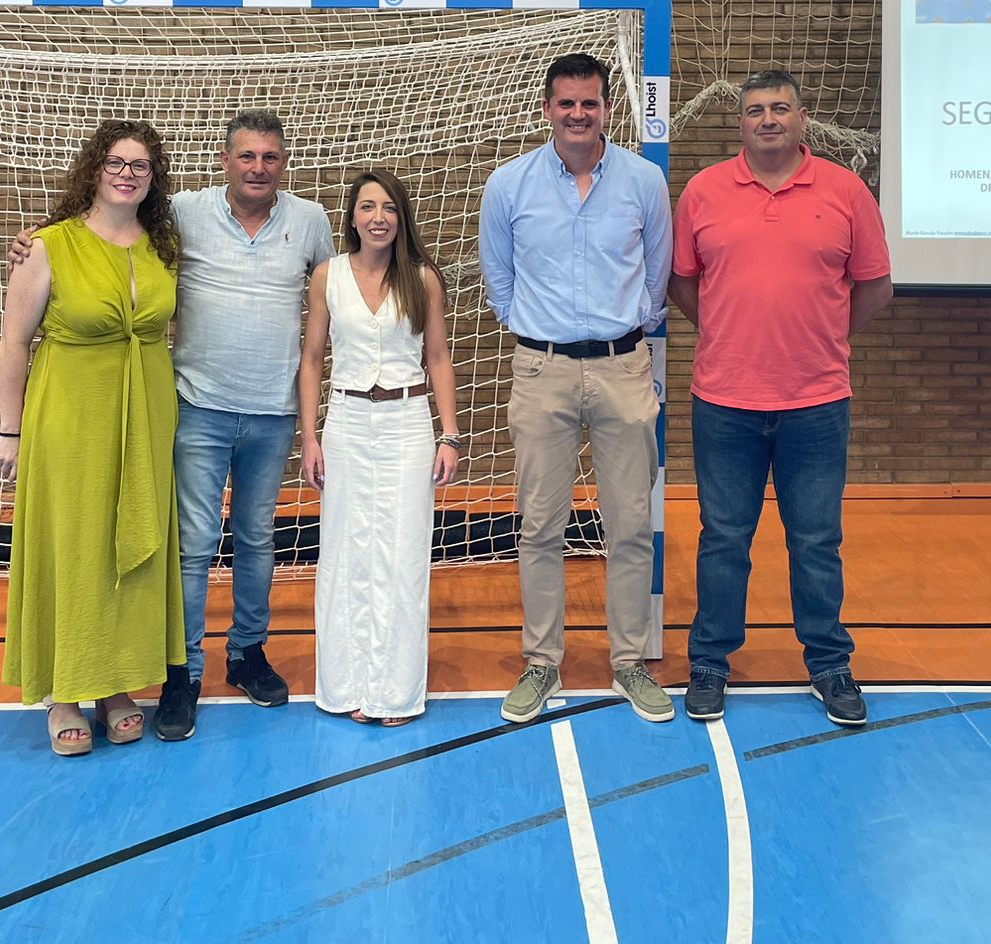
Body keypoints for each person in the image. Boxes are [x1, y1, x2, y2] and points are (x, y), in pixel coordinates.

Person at [12, 110, 333, 742]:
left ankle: (248, 654)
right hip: (196, 406)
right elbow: (100, 231)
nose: (258, 167)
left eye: (270, 157)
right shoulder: (183, 214)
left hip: (272, 412)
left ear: (284, 163)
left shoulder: (311, 221)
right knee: (190, 546)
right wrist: (34, 239)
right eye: (246, 156)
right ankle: (181, 672)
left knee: (257, 539)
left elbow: (339, 286)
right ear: (224, 160)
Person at [668, 71, 894, 726]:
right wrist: (726, 332)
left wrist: (825, 337)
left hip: (816, 402)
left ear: (803, 118)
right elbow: (682, 283)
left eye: (780, 108)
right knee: (723, 538)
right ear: (740, 122)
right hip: (725, 401)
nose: (767, 119)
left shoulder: (845, 191)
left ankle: (829, 664)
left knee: (817, 540)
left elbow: (876, 286)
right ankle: (710, 662)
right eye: (755, 110)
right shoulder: (704, 191)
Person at [478, 53, 674, 724]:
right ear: (547, 109)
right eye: (566, 103)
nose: (578, 114)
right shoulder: (509, 184)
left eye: (589, 102)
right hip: (543, 370)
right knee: (540, 525)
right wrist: (540, 333)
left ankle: (629, 662)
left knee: (629, 524)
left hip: (623, 366)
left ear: (607, 109)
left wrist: (631, 327)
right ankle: (541, 662)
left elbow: (658, 274)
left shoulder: (644, 181)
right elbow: (499, 281)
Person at [0, 120, 187, 754]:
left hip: (146, 417)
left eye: (140, 165)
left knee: (124, 547)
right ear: (94, 169)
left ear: (154, 177)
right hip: (70, 418)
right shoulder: (48, 245)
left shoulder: (163, 247)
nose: (127, 174)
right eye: (116, 162)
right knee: (74, 548)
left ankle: (113, 684)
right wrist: (11, 430)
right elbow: (14, 344)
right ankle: (65, 693)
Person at [298, 169, 462, 724]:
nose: (378, 217)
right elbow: (312, 360)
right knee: (344, 554)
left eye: (389, 207)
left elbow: (438, 357)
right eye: (368, 206)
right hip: (345, 423)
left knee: (402, 555)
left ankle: (395, 693)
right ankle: (345, 688)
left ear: (401, 217)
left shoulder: (422, 278)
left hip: (408, 423)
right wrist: (310, 436)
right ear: (352, 216)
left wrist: (449, 435)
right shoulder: (328, 276)